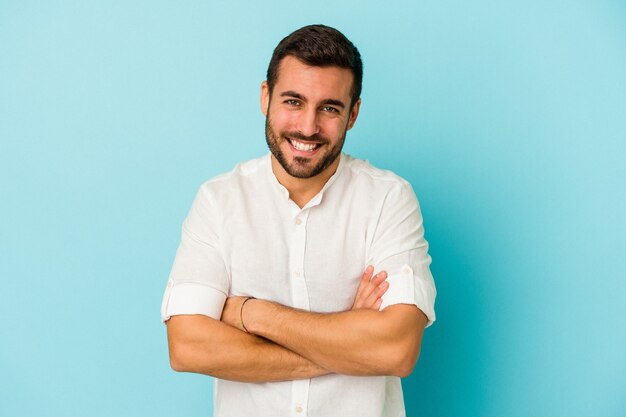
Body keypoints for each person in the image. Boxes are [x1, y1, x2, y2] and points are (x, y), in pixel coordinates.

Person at [161, 24, 436, 417]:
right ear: (265, 97)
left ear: (353, 114)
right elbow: (187, 346)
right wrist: (348, 340)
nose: (308, 127)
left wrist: (251, 313)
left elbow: (396, 350)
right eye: (293, 101)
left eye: (329, 108)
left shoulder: (388, 199)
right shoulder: (218, 201)